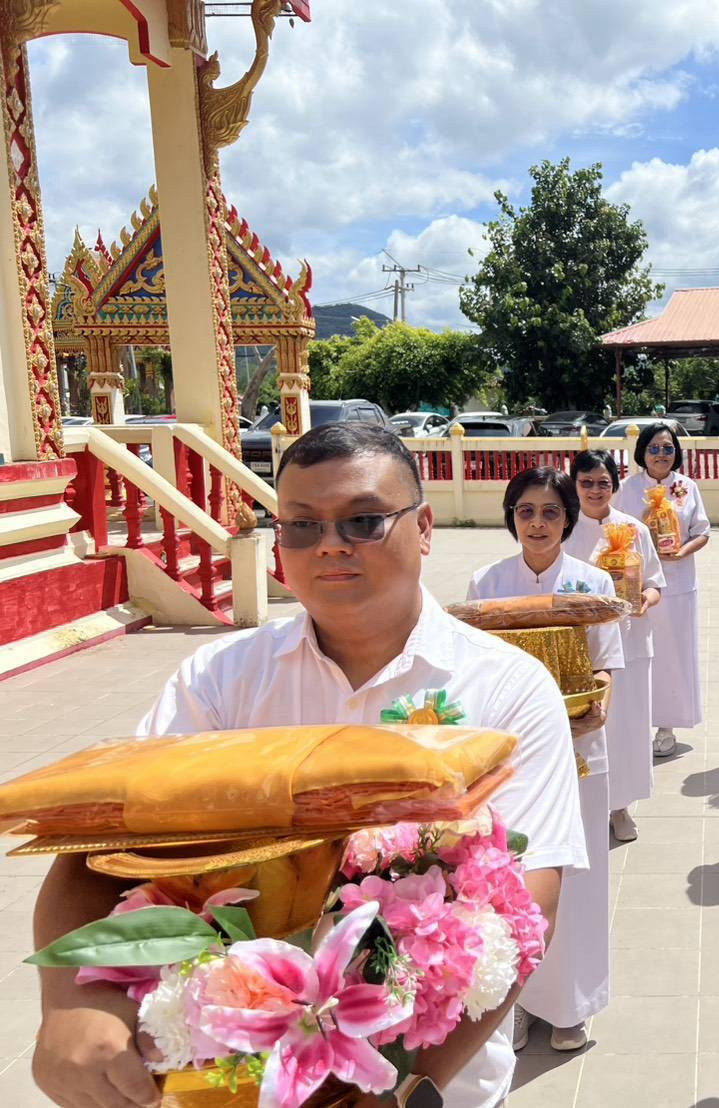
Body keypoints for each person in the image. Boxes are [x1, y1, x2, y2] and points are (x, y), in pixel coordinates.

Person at [29, 423, 586, 1108]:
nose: (329, 544)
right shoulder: (220, 679)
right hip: (219, 1072)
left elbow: (528, 901)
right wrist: (68, 1002)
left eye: (363, 521)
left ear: (425, 528)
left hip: (430, 1075)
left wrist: (406, 1086)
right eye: (299, 525)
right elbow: (108, 845)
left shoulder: (507, 687)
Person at [466, 467, 623, 1055]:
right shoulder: (486, 582)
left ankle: (571, 1006)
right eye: (526, 511)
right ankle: (517, 1001)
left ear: (568, 519)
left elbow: (606, 666)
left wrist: (597, 703)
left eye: (550, 512)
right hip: (507, 760)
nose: (537, 523)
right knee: (509, 878)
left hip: (580, 747)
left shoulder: (591, 582)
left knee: (578, 879)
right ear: (511, 516)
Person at [565, 449, 665, 842]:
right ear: (574, 485)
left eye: (603, 482)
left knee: (627, 728)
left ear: (615, 486)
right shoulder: (565, 529)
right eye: (586, 482)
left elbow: (655, 582)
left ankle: (621, 806)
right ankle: (584, 804)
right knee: (585, 725)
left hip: (630, 642)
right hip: (578, 646)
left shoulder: (634, 529)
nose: (594, 490)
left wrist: (645, 601)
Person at [611, 422, 709, 757]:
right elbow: (615, 530)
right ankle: (635, 720)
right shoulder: (627, 487)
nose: (661, 454)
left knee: (673, 656)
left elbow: (702, 531)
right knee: (639, 653)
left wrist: (683, 551)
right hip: (639, 584)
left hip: (679, 583)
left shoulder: (687, 486)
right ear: (642, 452)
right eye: (654, 448)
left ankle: (666, 726)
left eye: (668, 448)